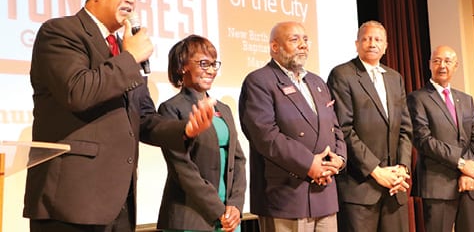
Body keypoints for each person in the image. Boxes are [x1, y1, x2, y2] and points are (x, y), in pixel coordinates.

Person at [24, 0, 215, 232]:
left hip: (119, 203)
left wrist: (184, 129)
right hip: (71, 201)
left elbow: (145, 118)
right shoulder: (61, 32)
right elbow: (77, 92)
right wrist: (130, 58)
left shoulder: (123, 48)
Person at [239, 21, 347, 232]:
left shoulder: (317, 82)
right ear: (274, 47)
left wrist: (339, 159)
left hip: (325, 192)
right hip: (285, 195)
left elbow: (335, 126)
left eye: (305, 39)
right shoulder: (259, 81)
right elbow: (266, 136)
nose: (303, 45)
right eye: (294, 39)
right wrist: (310, 164)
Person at [327, 20, 413, 232]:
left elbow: (405, 129)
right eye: (366, 39)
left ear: (385, 46)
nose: (372, 43)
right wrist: (376, 171)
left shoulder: (395, 78)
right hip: (360, 188)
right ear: (357, 44)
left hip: (395, 188)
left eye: (377, 40)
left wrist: (402, 168)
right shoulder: (342, 75)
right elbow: (344, 129)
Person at [157, 35, 246, 232]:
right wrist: (218, 210)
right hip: (191, 215)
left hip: (229, 217)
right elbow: (181, 168)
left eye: (214, 64)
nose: (211, 70)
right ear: (182, 67)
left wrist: (235, 206)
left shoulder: (223, 108)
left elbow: (238, 159)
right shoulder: (171, 108)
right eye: (204, 63)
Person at [407, 45, 474, 231]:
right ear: (430, 65)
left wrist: (468, 169)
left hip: (470, 185)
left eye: (448, 61)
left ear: (455, 66)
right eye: (437, 61)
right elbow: (423, 140)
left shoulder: (466, 99)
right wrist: (460, 163)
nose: (442, 65)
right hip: (438, 186)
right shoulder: (417, 98)